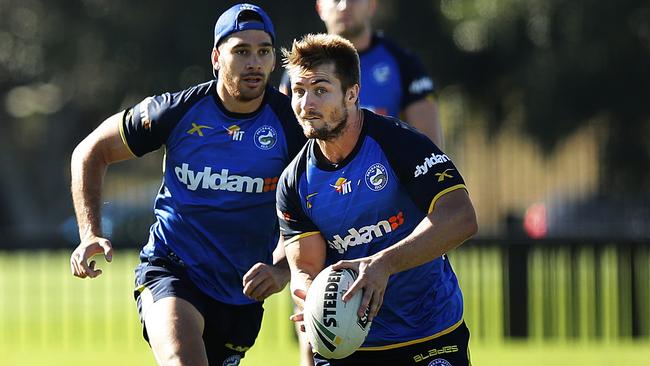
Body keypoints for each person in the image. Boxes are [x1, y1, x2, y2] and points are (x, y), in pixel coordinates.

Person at [69, 4, 305, 365]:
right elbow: (90, 152)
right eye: (241, 51)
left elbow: (314, 209)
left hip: (242, 292)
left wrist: (282, 269)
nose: (254, 62)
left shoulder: (293, 126)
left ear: (275, 60)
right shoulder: (176, 112)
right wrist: (90, 233)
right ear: (216, 57)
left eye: (263, 51)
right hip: (173, 269)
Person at [277, 33, 478, 366]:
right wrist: (312, 300)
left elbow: (461, 217)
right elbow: (305, 268)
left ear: (352, 93)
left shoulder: (400, 144)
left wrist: (383, 264)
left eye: (321, 90)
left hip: (430, 333)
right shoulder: (294, 182)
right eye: (299, 91)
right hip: (349, 346)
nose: (306, 104)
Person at [279, 0, 444, 147]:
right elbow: (285, 143)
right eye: (336, 0)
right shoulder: (298, 71)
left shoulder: (404, 64)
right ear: (320, 6)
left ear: (372, 5)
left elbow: (429, 147)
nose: (344, 5)